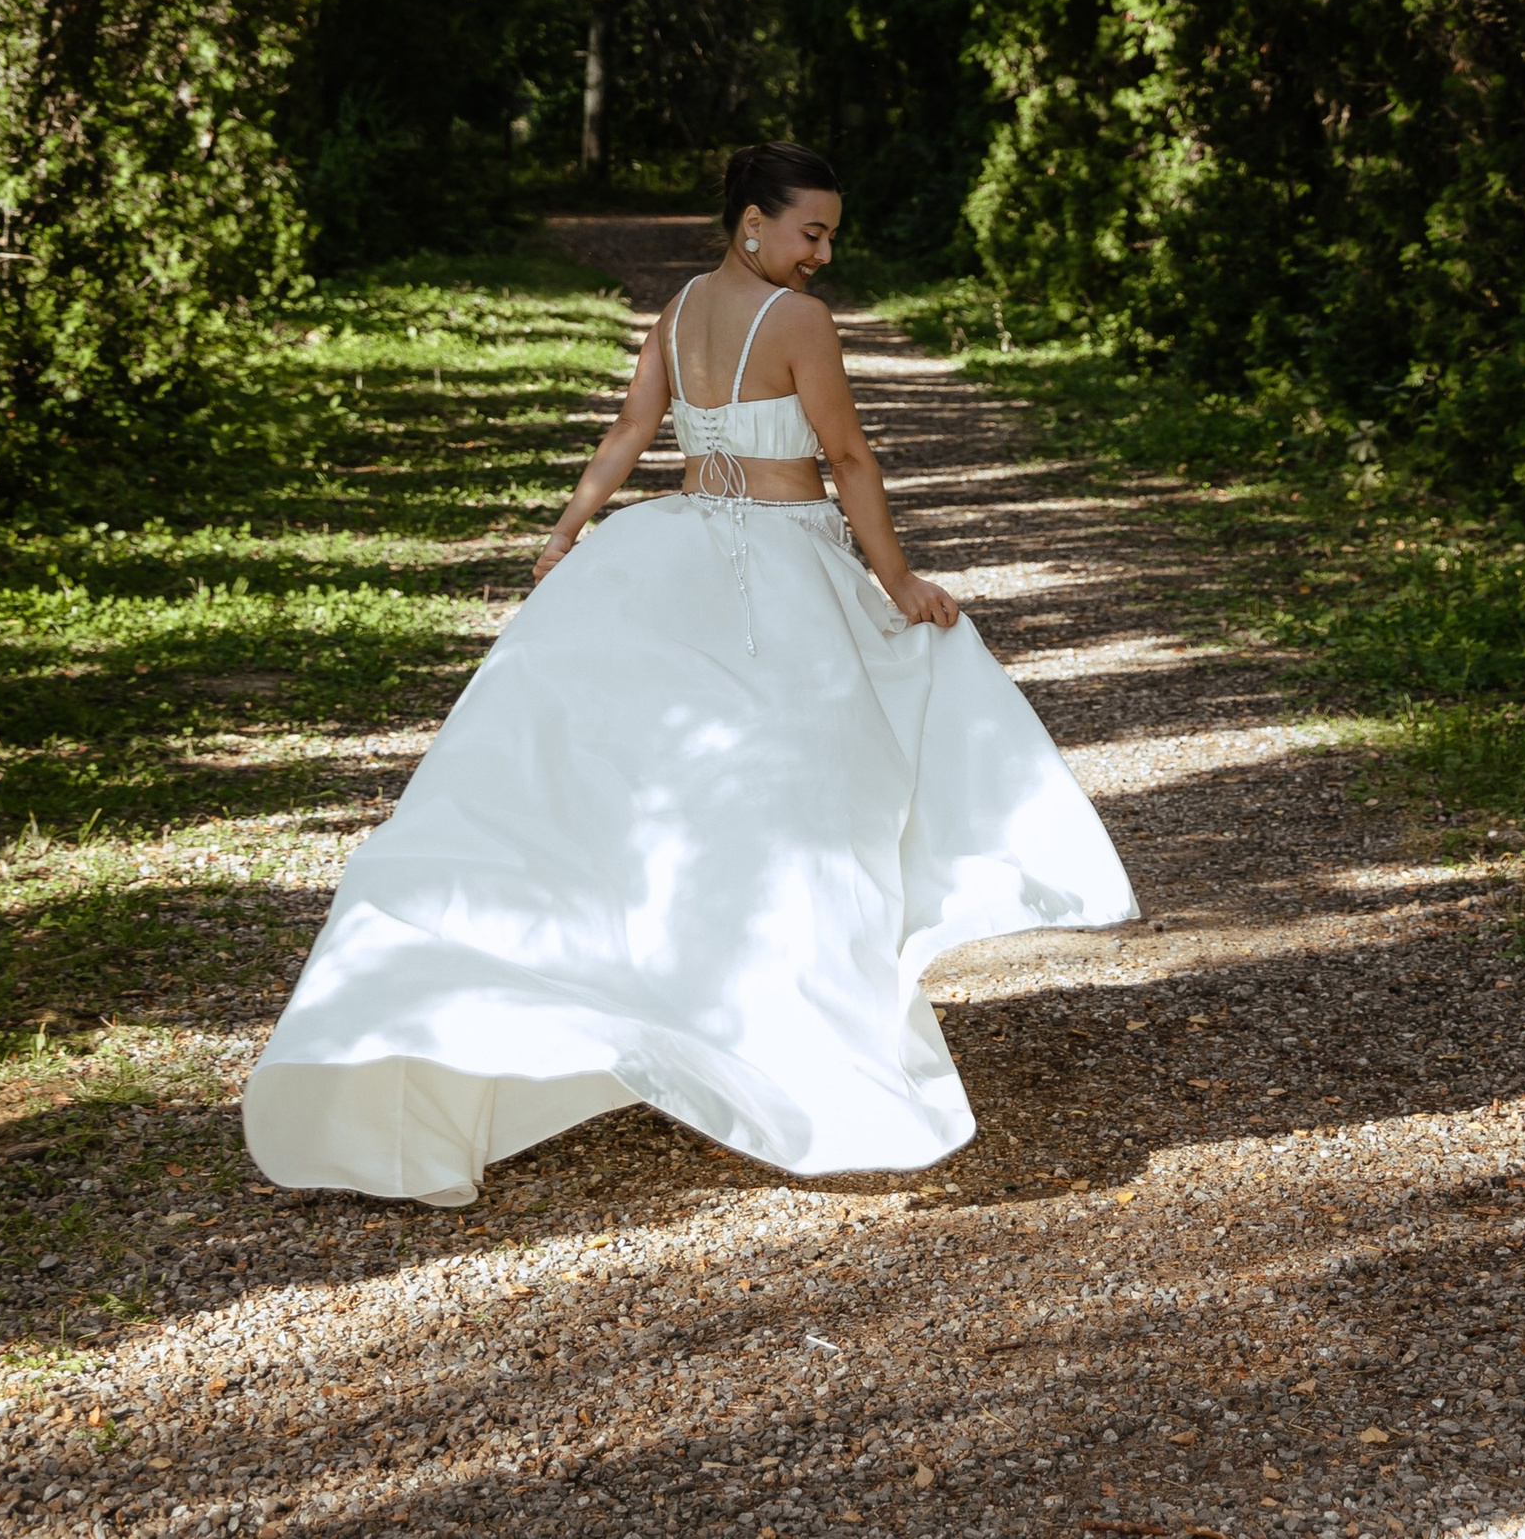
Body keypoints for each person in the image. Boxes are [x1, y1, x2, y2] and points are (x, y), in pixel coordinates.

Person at [242, 142, 1137, 1207]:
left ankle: (707, 1009)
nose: (822, 253)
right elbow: (846, 458)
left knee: (669, 800)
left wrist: (572, 528)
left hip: (673, 551)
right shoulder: (796, 322)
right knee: (817, 797)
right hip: (781, 562)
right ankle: (794, 1036)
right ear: (751, 223)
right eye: (810, 231)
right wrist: (895, 580)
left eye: (831, 235)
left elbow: (631, 432)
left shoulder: (679, 309)